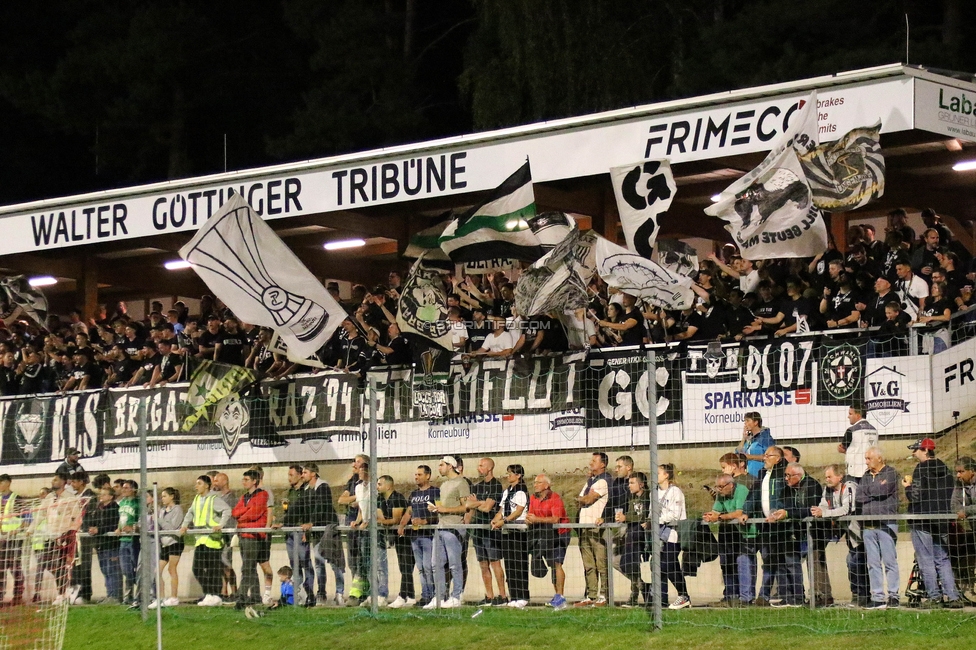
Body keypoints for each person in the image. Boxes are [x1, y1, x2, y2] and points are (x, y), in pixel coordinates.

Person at [903, 439, 963, 608]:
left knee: (925, 559)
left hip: (922, 519)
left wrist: (907, 487)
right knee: (942, 558)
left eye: (916, 450)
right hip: (942, 519)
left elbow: (915, 496)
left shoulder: (920, 469)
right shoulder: (946, 469)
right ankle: (953, 597)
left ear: (925, 451)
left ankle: (934, 597)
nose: (914, 453)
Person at [743, 446, 796, 607]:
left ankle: (790, 595)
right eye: (764, 455)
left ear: (778, 459)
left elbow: (790, 496)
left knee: (785, 561)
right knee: (768, 559)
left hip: (783, 525)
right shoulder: (761, 475)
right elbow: (754, 495)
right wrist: (746, 511)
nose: (764, 458)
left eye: (768, 455)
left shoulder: (784, 475)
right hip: (766, 525)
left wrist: (782, 512)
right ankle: (764, 595)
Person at [811, 465, 867, 607]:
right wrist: (819, 510)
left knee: (856, 561)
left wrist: (824, 513)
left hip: (858, 532)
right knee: (851, 562)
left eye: (830, 476)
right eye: (826, 477)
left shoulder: (849, 488)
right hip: (846, 531)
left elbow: (846, 509)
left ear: (839, 476)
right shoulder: (827, 490)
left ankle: (864, 594)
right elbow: (823, 504)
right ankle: (856, 594)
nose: (827, 480)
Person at [857, 447, 900, 609]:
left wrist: (870, 492)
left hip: (886, 523)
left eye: (869, 458)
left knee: (890, 561)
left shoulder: (890, 473)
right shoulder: (866, 476)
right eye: (865, 458)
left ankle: (894, 595)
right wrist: (872, 492)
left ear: (879, 459)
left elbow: (883, 491)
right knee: (873, 563)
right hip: (868, 525)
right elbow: (859, 496)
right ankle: (877, 596)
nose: (866, 461)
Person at [179, 475, 232, 607]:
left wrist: (220, 525)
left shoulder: (214, 498)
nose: (196, 486)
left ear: (207, 485)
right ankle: (209, 594)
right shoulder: (197, 498)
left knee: (213, 569)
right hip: (200, 538)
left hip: (212, 539)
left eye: (199, 483)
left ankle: (216, 595)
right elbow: (190, 513)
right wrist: (184, 525)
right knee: (197, 568)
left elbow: (227, 510)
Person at [424, 456, 470, 609]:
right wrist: (436, 508)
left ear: (450, 466)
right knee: (435, 564)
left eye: (441, 465)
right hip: (440, 526)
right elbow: (443, 505)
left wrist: (446, 510)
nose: (439, 468)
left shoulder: (461, 483)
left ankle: (456, 595)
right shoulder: (443, 485)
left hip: (454, 527)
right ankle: (440, 596)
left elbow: (466, 507)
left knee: (454, 564)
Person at [703, 473, 754, 606]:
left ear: (730, 485)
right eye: (717, 487)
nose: (718, 490)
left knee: (742, 563)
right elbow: (716, 511)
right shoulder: (721, 493)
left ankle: (745, 598)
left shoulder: (741, 490)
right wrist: (710, 515)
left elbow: (738, 513)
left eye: (721, 487)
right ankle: (730, 596)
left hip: (744, 532)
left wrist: (719, 518)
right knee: (726, 562)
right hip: (728, 531)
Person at [299, 462, 341, 607]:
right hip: (316, 531)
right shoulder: (306, 490)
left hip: (328, 528)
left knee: (334, 561)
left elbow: (322, 506)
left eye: (304, 472)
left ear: (313, 473)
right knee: (318, 561)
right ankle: (321, 592)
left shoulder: (323, 486)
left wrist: (312, 523)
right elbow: (305, 510)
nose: (302, 475)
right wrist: (306, 528)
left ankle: (339, 593)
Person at [526, 473, 570, 610]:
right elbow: (531, 514)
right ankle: (556, 595)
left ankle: (560, 596)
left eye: (538, 482)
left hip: (559, 534)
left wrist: (536, 520)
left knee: (557, 563)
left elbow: (555, 519)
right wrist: (529, 519)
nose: (535, 485)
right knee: (550, 563)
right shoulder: (533, 498)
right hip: (543, 533)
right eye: (534, 482)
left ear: (546, 485)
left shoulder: (554, 497)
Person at [466, 457, 506, 607]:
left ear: (489, 468)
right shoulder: (476, 487)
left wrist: (478, 504)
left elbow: (487, 508)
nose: (478, 468)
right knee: (483, 564)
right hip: (478, 530)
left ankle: (502, 595)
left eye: (481, 465)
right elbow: (469, 505)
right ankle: (489, 596)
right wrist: (479, 503)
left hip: (490, 529)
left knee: (495, 562)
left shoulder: (496, 485)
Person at [784, 463, 825, 606]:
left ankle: (821, 596)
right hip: (797, 531)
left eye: (789, 475)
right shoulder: (790, 488)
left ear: (798, 476)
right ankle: (798, 596)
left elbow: (811, 510)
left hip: (814, 531)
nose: (786, 479)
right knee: (793, 562)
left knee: (815, 563)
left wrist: (789, 513)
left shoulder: (812, 486)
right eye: (785, 475)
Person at [574, 452, 611, 607]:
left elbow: (587, 499)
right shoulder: (591, 481)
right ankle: (591, 594)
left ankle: (604, 595)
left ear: (602, 464)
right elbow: (579, 500)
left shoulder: (603, 481)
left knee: (601, 562)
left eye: (594, 461)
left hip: (596, 527)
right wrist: (582, 499)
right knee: (588, 564)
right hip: (584, 527)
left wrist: (582, 499)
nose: (591, 463)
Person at [350, 463, 389, 607]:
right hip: (364, 531)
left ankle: (382, 594)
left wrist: (370, 521)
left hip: (376, 529)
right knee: (367, 563)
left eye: (364, 471)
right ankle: (372, 594)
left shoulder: (376, 487)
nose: (361, 473)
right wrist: (357, 521)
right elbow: (361, 509)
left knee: (379, 563)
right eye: (359, 471)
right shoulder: (358, 487)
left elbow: (378, 507)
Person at [491, 464, 529, 608]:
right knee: (510, 565)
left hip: (518, 531)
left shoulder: (521, 491)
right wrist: (496, 518)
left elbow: (518, 511)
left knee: (519, 564)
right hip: (507, 531)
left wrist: (504, 520)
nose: (508, 476)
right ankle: (513, 595)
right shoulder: (507, 491)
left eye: (510, 473)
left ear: (518, 475)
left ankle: (523, 595)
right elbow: (502, 509)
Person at [231, 470, 269, 609]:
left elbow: (254, 514)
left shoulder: (262, 494)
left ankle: (241, 596)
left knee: (247, 567)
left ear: (254, 481)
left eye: (246, 479)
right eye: (243, 479)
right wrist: (245, 511)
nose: (244, 482)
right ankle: (255, 595)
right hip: (243, 535)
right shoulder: (244, 496)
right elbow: (235, 512)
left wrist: (243, 517)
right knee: (250, 567)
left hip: (254, 536)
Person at [402, 465, 438, 608]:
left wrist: (425, 521)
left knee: (429, 566)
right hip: (415, 536)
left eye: (419, 474)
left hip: (428, 536)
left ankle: (434, 595)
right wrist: (402, 525)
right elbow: (408, 512)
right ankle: (425, 595)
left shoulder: (435, 492)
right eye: (415, 474)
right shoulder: (414, 494)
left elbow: (438, 512)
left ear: (428, 476)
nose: (416, 477)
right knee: (421, 568)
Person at [277, 465, 313, 606]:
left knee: (305, 562)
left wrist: (307, 529)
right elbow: (286, 511)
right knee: (294, 563)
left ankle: (309, 593)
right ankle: (297, 594)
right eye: (288, 475)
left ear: (300, 476)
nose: (289, 478)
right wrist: (281, 521)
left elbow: (308, 510)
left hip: (301, 530)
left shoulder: (306, 491)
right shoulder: (289, 492)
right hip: (289, 531)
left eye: (292, 475)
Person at [615, 472, 651, 607]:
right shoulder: (631, 498)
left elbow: (645, 516)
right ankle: (642, 585)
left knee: (633, 563)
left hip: (643, 537)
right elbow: (631, 515)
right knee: (618, 561)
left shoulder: (648, 497)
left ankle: (635, 595)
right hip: (631, 536)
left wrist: (627, 518)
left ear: (641, 484)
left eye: (631, 483)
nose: (628, 486)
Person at [657, 464, 690, 609]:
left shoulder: (675, 492)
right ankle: (675, 596)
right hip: (659, 534)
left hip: (673, 534)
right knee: (664, 565)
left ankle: (683, 595)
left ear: (666, 475)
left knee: (669, 564)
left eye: (658, 473)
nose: (655, 475)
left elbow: (675, 514)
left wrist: (658, 519)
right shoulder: (654, 492)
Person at [377, 475, 413, 608]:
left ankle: (403, 595)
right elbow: (379, 517)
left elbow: (396, 520)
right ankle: (411, 595)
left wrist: (383, 521)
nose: (377, 486)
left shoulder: (397, 498)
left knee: (406, 566)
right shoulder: (380, 499)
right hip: (396, 536)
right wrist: (383, 521)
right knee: (403, 566)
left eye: (380, 484)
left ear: (388, 486)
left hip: (406, 535)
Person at [87, 486, 123, 604]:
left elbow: (113, 525)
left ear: (111, 496)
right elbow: (94, 522)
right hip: (100, 544)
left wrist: (99, 529)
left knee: (112, 570)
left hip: (111, 544)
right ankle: (109, 594)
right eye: (100, 494)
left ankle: (116, 596)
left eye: (104, 494)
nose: (101, 497)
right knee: (105, 570)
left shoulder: (114, 508)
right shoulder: (99, 508)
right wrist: (92, 528)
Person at [151, 488, 184, 608]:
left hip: (174, 542)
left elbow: (173, 527)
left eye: (165, 496)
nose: (162, 498)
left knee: (171, 569)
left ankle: (174, 597)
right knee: (157, 571)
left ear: (172, 496)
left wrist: (158, 520)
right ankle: (161, 598)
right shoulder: (162, 511)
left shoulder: (178, 509)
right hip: (164, 543)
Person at [951, 457, 976, 602]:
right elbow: (954, 505)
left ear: (972, 471)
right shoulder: (959, 484)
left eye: (961, 471)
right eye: (957, 472)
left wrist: (966, 511)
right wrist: (962, 511)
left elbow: (963, 509)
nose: (958, 475)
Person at [0, 475, 28, 606]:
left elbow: (28, 518)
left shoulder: (16, 498)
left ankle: (18, 595)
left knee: (14, 566)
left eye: (1, 482)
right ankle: (1, 596)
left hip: (14, 539)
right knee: (1, 567)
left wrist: (15, 531)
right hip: (2, 539)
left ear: (7, 483)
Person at [116, 479, 140, 606]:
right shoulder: (122, 502)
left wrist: (133, 527)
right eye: (123, 487)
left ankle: (140, 594)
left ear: (133, 490)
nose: (123, 490)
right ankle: (128, 595)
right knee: (126, 570)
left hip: (133, 540)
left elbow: (142, 520)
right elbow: (121, 518)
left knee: (136, 568)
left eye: (126, 488)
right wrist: (118, 527)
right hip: (123, 541)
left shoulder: (138, 503)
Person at [839, 404, 878, 479]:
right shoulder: (874, 430)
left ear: (858, 415)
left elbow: (842, 448)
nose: (848, 416)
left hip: (855, 472)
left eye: (850, 414)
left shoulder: (851, 430)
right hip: (871, 470)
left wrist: (840, 448)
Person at [735, 412, 774, 477]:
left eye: (747, 421)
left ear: (756, 422)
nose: (745, 423)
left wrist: (751, 457)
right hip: (748, 476)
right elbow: (738, 453)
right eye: (745, 421)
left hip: (760, 474)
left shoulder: (765, 438)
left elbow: (770, 456)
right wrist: (743, 438)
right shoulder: (749, 438)